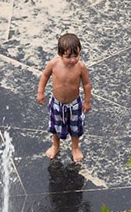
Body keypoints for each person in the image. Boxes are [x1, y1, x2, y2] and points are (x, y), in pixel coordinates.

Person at [37, 33, 91, 163]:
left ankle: (75, 147)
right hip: (57, 103)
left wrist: (87, 101)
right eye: (68, 57)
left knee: (75, 127)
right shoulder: (53, 64)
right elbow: (44, 76)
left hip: (74, 104)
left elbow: (87, 84)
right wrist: (40, 92)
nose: (73, 60)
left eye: (76, 56)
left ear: (80, 51)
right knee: (56, 126)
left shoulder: (81, 67)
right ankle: (55, 145)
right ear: (60, 54)